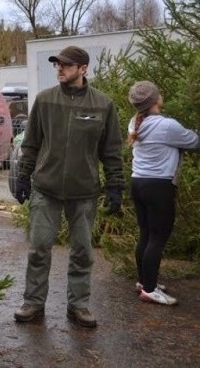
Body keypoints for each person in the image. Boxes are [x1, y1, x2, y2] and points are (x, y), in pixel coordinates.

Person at [13, 46, 125, 328]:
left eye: (66, 65)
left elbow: (111, 150)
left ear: (83, 68)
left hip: (84, 191)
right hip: (46, 188)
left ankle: (79, 306)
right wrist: (23, 176)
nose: (59, 69)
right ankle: (33, 303)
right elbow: (31, 144)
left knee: (82, 252)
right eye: (57, 64)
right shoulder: (45, 100)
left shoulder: (102, 104)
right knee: (39, 247)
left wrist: (115, 185)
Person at [128, 81, 199, 306]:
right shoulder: (167, 126)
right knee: (158, 238)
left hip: (138, 182)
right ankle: (149, 290)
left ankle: (144, 282)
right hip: (159, 186)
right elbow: (194, 141)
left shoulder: (134, 122)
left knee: (146, 234)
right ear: (155, 100)